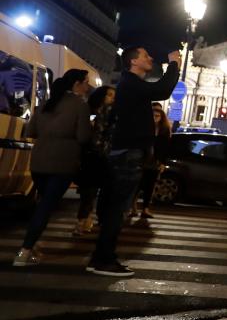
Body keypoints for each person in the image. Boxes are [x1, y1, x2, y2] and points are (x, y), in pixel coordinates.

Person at [87, 46, 180, 277]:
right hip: (128, 154)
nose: (150, 58)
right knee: (118, 210)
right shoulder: (130, 83)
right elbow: (164, 89)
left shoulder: (130, 85)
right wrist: (175, 64)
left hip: (126, 152)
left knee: (115, 208)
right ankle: (104, 260)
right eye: (145, 56)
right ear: (133, 62)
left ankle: (101, 257)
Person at [13, 69, 93, 267]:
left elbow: (30, 131)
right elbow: (84, 137)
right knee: (46, 206)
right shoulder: (80, 105)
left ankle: (32, 245)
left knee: (43, 203)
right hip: (63, 162)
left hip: (39, 161)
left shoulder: (45, 105)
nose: (87, 86)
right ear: (76, 84)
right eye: (85, 82)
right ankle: (25, 250)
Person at [74, 85, 116, 236]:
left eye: (113, 95)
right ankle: (82, 221)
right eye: (109, 95)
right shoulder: (90, 112)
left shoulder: (112, 115)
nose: (112, 98)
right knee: (89, 192)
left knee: (96, 192)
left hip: (103, 156)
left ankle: (88, 219)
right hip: (91, 156)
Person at [135, 102, 172, 220]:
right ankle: (133, 207)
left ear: (161, 118)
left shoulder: (164, 131)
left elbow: (165, 148)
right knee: (138, 185)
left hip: (155, 162)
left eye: (157, 116)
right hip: (143, 161)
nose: (155, 118)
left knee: (150, 186)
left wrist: (162, 162)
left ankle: (145, 208)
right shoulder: (144, 129)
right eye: (153, 116)